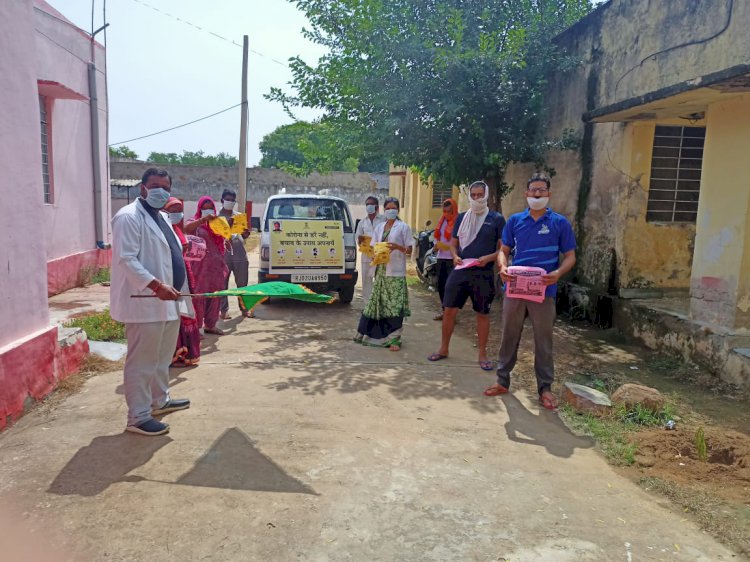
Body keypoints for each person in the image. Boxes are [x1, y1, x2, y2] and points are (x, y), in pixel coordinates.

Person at [484, 173, 577, 410]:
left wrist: (557, 273)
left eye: (542, 190)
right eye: (533, 190)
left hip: (543, 291)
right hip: (515, 289)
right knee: (509, 336)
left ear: (548, 194)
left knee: (543, 341)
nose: (537, 194)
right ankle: (502, 380)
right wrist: (502, 266)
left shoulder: (559, 223)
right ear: (526, 194)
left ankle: (545, 389)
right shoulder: (515, 221)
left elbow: (570, 257)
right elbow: (503, 250)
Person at [110, 168, 191, 436]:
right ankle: (138, 417)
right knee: (142, 362)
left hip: (169, 300)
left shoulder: (162, 217)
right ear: (142, 187)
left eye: (165, 186)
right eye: (155, 185)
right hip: (145, 300)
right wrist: (156, 285)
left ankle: (159, 401)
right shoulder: (128, 217)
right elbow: (126, 259)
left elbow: (168, 254)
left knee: (161, 358)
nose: (161, 190)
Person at [428, 181, 505, 370]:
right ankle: (444, 349)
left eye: (481, 194)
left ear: (486, 195)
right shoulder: (462, 218)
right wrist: (454, 256)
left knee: (482, 313)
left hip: (483, 273)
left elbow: (504, 248)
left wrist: (490, 258)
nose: (477, 198)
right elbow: (454, 244)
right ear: (470, 196)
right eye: (474, 194)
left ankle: (482, 355)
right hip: (461, 270)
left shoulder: (496, 219)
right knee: (449, 310)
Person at [354, 197, 413, 350]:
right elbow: (373, 247)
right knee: (377, 302)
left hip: (396, 272)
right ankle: (367, 333)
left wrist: (397, 247)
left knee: (394, 305)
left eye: (393, 208)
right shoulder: (380, 227)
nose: (390, 211)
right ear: (384, 210)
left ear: (398, 210)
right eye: (388, 208)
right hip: (380, 270)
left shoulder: (403, 227)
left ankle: (394, 339)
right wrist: (374, 255)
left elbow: (410, 249)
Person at [184, 196, 229, 336]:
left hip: (215, 265)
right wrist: (203, 220)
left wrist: (226, 241)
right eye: (204, 208)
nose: (207, 210)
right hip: (200, 267)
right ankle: (197, 329)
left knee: (215, 296)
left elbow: (224, 236)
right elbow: (185, 229)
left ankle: (211, 325)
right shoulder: (194, 222)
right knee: (199, 296)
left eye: (210, 207)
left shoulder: (217, 223)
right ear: (199, 209)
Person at [164, 197, 201, 367]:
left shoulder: (177, 231)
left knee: (184, 312)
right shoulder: (162, 231)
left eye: (178, 210)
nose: (176, 214)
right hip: (167, 277)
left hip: (183, 275)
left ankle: (186, 353)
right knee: (173, 315)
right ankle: (174, 354)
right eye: (172, 210)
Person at [218, 189, 253, 319]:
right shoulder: (216, 217)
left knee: (243, 283)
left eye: (233, 200)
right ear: (222, 200)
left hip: (240, 254)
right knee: (222, 284)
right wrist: (229, 224)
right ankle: (223, 310)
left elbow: (244, 235)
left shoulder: (239, 216)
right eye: (228, 199)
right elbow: (217, 235)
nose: (230, 202)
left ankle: (244, 309)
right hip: (223, 255)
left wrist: (246, 233)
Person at [354, 195, 385, 303]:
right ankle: (368, 304)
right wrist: (361, 241)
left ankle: (380, 304)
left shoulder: (384, 220)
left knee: (380, 279)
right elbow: (358, 237)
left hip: (381, 254)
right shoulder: (362, 222)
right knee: (366, 280)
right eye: (367, 204)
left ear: (376, 206)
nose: (369, 206)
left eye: (371, 204)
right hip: (367, 255)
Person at [432, 198, 457, 321]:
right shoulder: (441, 222)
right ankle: (444, 311)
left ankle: (451, 314)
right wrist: (436, 245)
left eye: (449, 211)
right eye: (445, 211)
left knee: (451, 287)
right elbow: (437, 236)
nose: (447, 214)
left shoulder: (458, 222)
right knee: (441, 285)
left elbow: (460, 240)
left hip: (452, 259)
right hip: (441, 257)